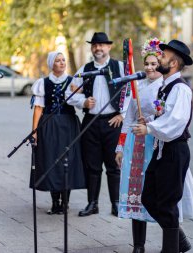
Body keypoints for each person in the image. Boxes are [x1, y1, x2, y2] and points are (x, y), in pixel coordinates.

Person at [115, 37, 193, 253]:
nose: (159, 57)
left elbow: (176, 122)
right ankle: (177, 239)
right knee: (148, 198)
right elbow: (165, 116)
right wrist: (152, 122)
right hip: (162, 149)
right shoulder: (166, 86)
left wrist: (150, 129)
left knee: (168, 203)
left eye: (163, 56)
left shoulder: (180, 88)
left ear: (173, 63)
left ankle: (171, 247)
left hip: (174, 150)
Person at [66, 32, 129, 217]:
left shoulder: (120, 66)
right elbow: (70, 94)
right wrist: (83, 102)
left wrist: (123, 114)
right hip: (90, 123)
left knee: (113, 165)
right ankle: (92, 203)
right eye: (94, 45)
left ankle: (116, 204)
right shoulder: (84, 69)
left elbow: (131, 91)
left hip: (113, 122)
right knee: (92, 166)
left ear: (109, 47)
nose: (98, 48)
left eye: (102, 45)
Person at [30, 51, 85, 214]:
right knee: (51, 160)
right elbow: (38, 108)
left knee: (68, 161)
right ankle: (55, 202)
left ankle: (65, 202)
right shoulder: (43, 83)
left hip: (69, 125)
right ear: (51, 64)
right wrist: (34, 131)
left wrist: (81, 93)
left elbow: (81, 102)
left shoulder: (73, 82)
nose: (62, 63)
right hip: (49, 125)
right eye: (58, 60)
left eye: (63, 60)